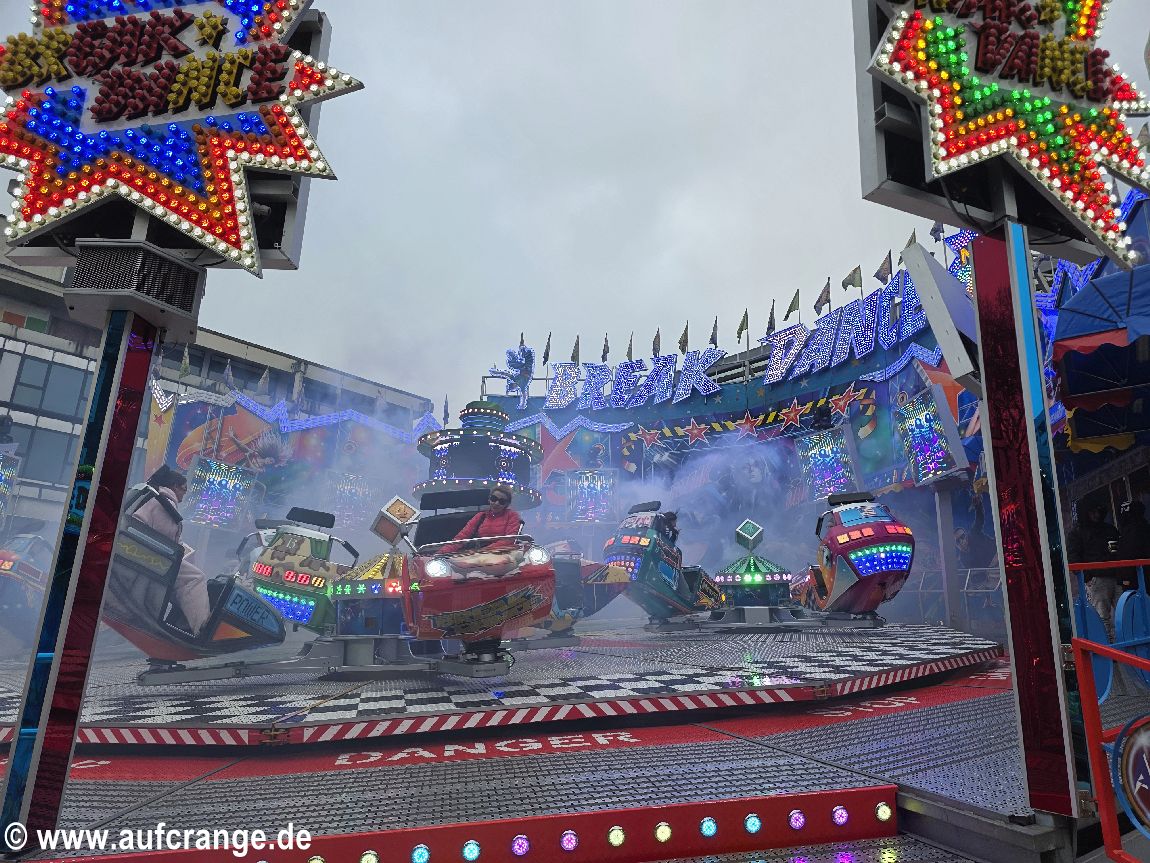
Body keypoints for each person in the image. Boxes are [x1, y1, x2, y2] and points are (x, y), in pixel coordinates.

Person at [131, 465, 212, 636]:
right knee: (196, 578)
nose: (184, 495)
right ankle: (202, 628)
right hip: (152, 556)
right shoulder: (165, 505)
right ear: (174, 486)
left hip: (140, 550)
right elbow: (165, 539)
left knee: (182, 581)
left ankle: (185, 622)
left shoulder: (154, 498)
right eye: (184, 490)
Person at [1068, 502, 1121, 639]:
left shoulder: (1109, 529)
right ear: (1085, 513)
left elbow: (1118, 550)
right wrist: (1087, 576)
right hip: (1097, 579)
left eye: (1098, 511)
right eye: (1092, 512)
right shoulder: (1078, 532)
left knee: (1123, 614)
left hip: (1116, 576)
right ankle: (1108, 647)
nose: (1096, 515)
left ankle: (1122, 645)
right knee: (1102, 616)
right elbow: (1073, 557)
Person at [441, 485, 524, 554]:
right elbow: (462, 537)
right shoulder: (480, 516)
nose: (496, 503)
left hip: (503, 554)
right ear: (489, 499)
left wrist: (483, 551)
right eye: (494, 499)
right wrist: (440, 553)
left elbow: (509, 540)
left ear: (507, 504)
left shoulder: (512, 515)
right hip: (480, 555)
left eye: (501, 501)